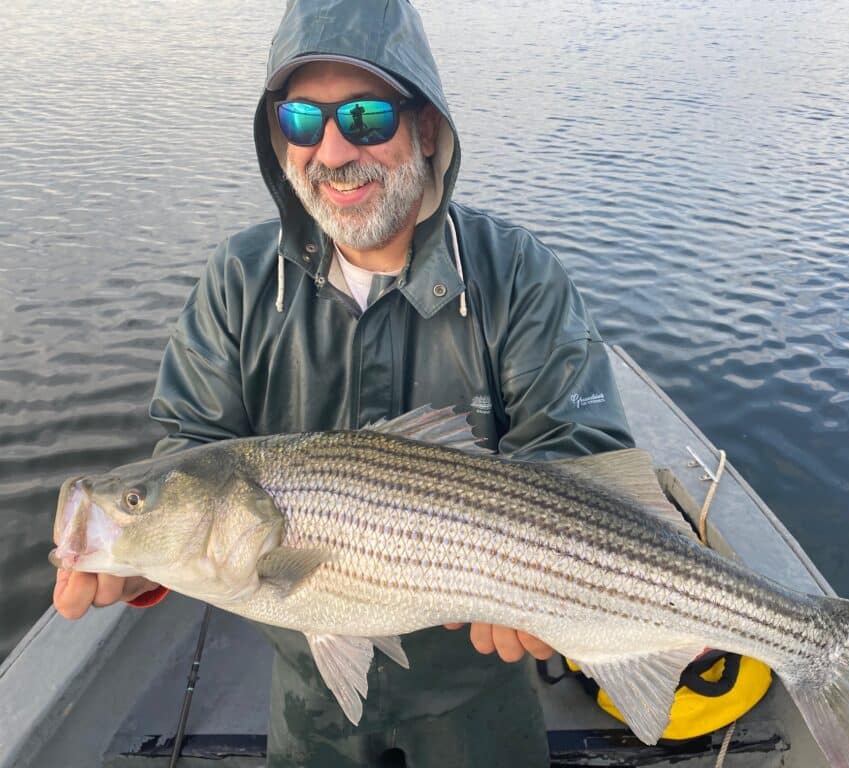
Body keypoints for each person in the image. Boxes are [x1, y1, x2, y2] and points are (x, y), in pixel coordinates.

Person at [52, 1, 634, 765]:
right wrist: (141, 565)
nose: (330, 151)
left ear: (425, 128)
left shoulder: (514, 272)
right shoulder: (239, 281)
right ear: (278, 138)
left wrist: (550, 580)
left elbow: (579, 442)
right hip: (307, 688)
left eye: (364, 116)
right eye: (301, 120)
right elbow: (192, 451)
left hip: (480, 685)